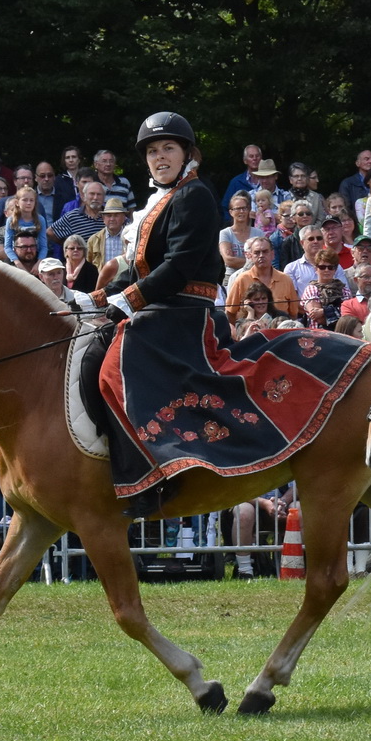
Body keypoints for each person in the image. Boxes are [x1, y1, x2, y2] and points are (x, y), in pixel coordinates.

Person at [90, 112, 226, 516]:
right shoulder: (163, 199)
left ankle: (142, 473)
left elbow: (179, 265)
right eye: (152, 151)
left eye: (168, 148)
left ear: (187, 153)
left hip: (183, 313)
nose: (160, 156)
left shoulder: (194, 194)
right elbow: (139, 270)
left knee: (111, 365)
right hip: (161, 307)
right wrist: (99, 299)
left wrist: (126, 303)